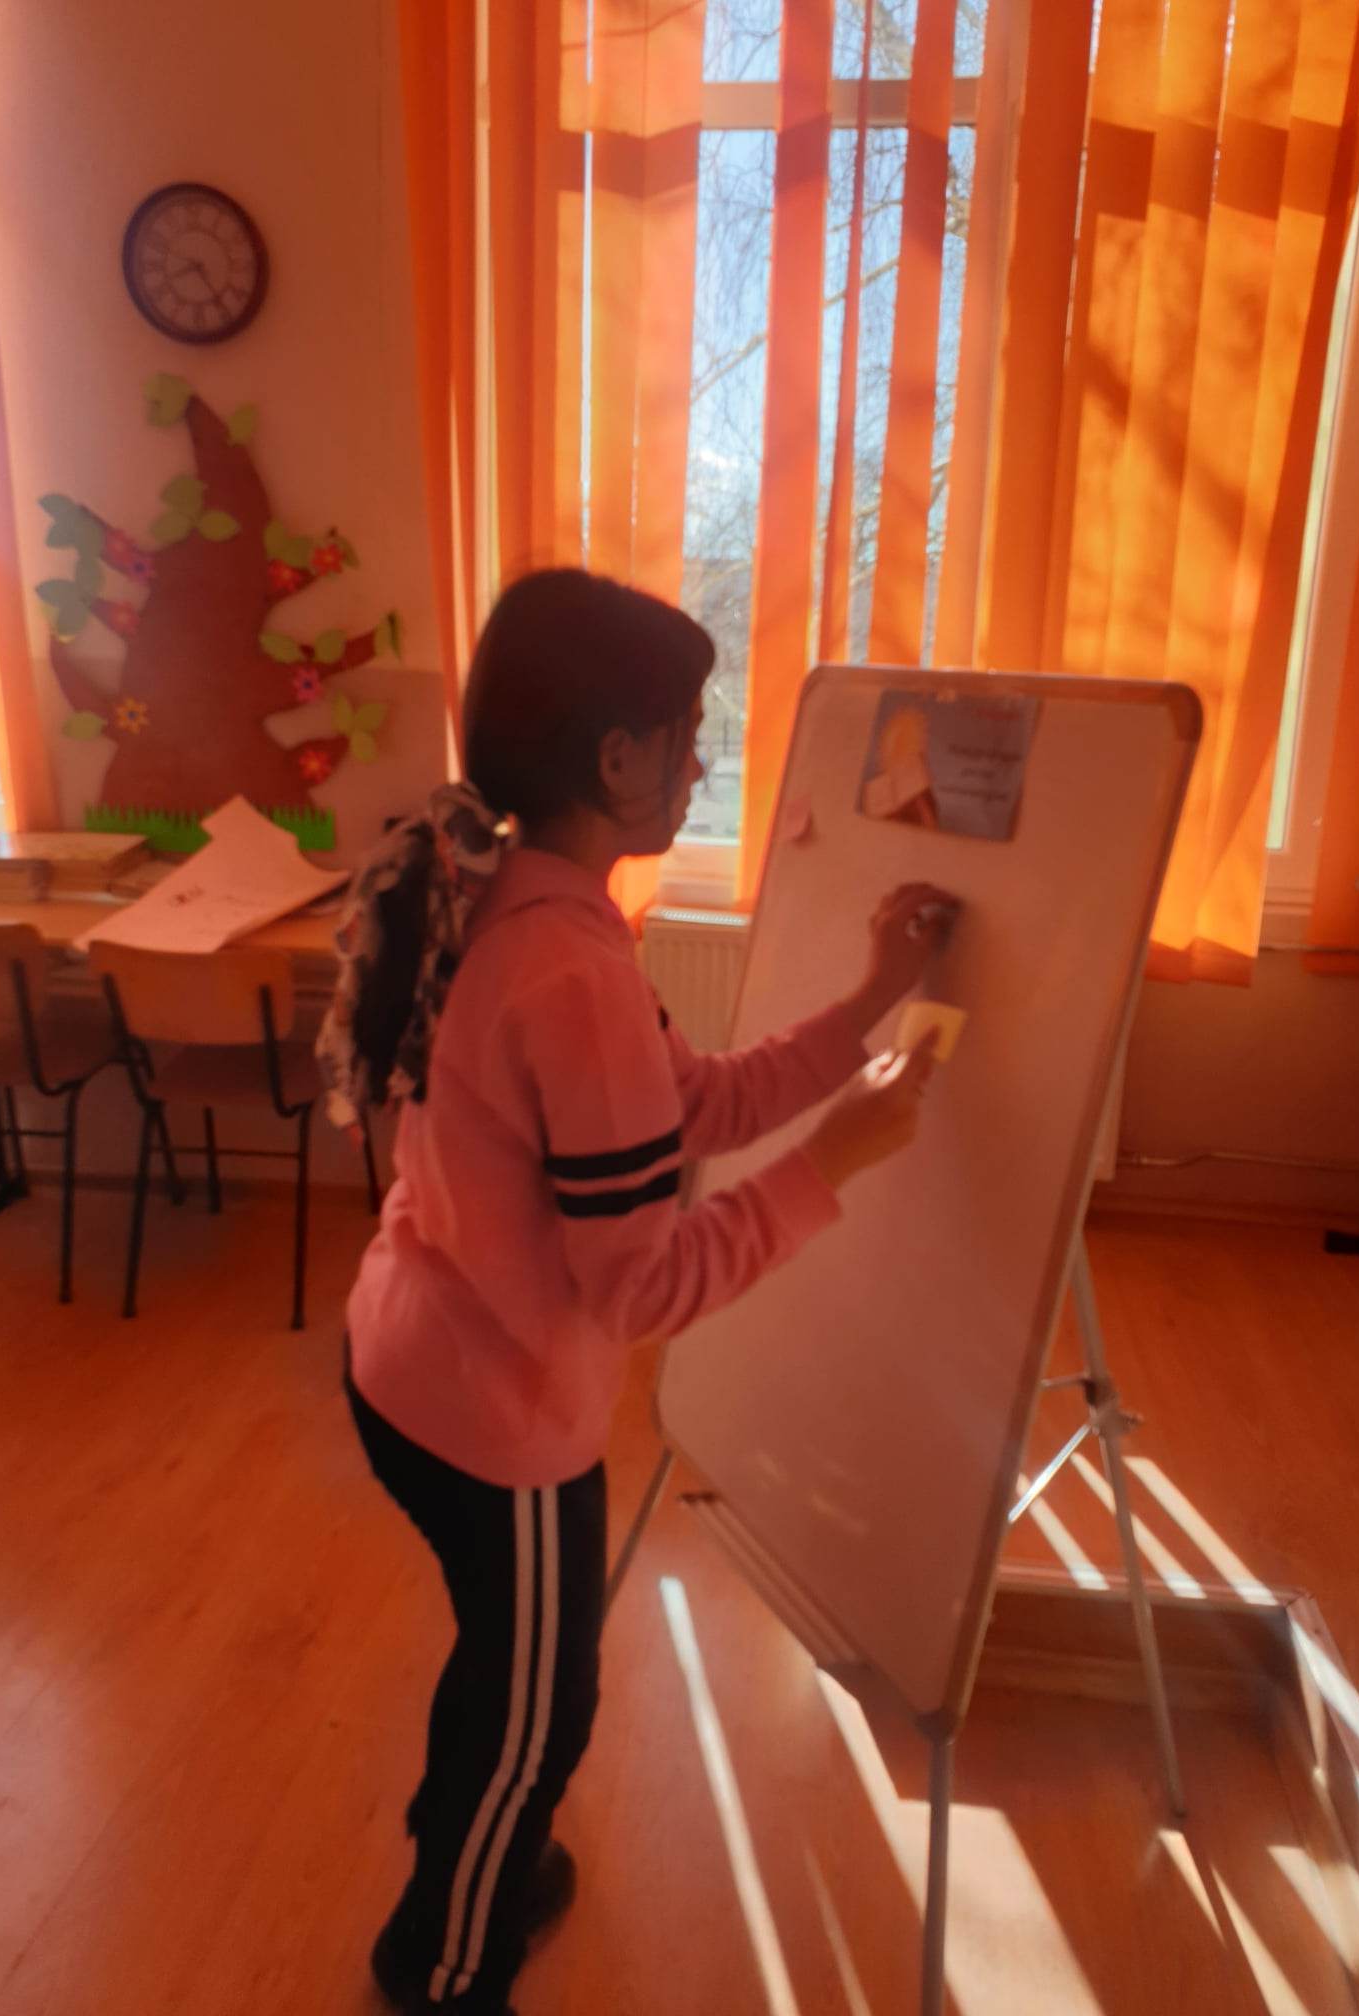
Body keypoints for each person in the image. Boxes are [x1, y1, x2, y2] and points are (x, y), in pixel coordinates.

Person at [318, 568, 955, 2015]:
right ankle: (444, 1962)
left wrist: (865, 1003)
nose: (699, 766)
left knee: (509, 1669)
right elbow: (644, 1286)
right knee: (539, 1714)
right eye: (688, 735)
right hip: (491, 1419)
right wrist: (834, 1162)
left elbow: (690, 1107)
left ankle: (478, 1852)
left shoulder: (514, 898)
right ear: (617, 758)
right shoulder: (569, 969)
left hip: (413, 1359)